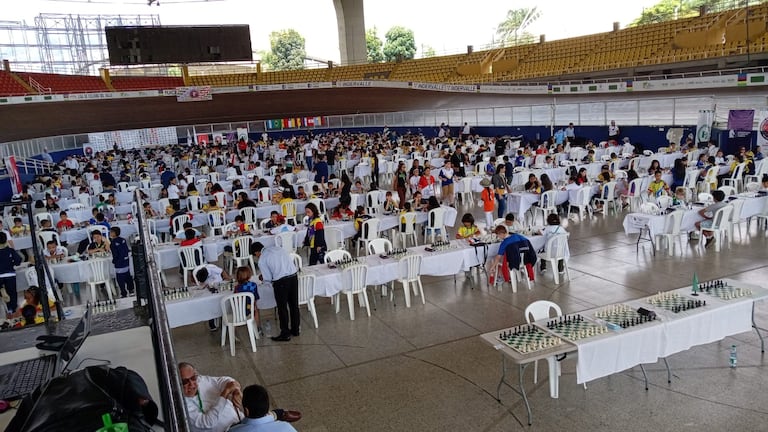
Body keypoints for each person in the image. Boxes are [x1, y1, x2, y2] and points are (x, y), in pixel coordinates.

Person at [178, 362, 300, 432]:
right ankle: (276, 415)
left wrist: (235, 390)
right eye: (185, 382)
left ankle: (273, 415)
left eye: (193, 378)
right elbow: (207, 423)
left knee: (256, 404)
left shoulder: (201, 380)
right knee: (258, 419)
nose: (192, 384)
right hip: (225, 430)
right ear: (176, 383)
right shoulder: (181, 405)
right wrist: (225, 393)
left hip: (240, 420)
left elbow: (225, 380)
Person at [250, 242, 300, 341]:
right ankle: (295, 330)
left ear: (256, 252)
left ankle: (285, 333)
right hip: (293, 277)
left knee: (282, 308)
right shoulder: (278, 249)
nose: (256, 257)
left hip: (281, 282)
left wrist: (263, 278)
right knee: (294, 305)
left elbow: (268, 279)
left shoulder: (262, 259)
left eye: (255, 255)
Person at [230, 385, 298, 432]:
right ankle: (277, 414)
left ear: (246, 411)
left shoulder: (233, 430)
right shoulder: (286, 427)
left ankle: (277, 414)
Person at [0, 232, 23, 313]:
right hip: (10, 274)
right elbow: (18, 261)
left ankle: (2, 291)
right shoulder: (10, 250)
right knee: (12, 292)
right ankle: (12, 309)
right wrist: (12, 263)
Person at [109, 226, 134, 297]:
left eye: (111, 232)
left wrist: (114, 261)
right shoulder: (123, 240)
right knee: (128, 276)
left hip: (119, 263)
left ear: (114, 233)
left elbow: (115, 254)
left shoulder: (113, 243)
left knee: (120, 279)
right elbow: (127, 250)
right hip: (126, 261)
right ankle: (131, 290)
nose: (110, 233)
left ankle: (123, 293)